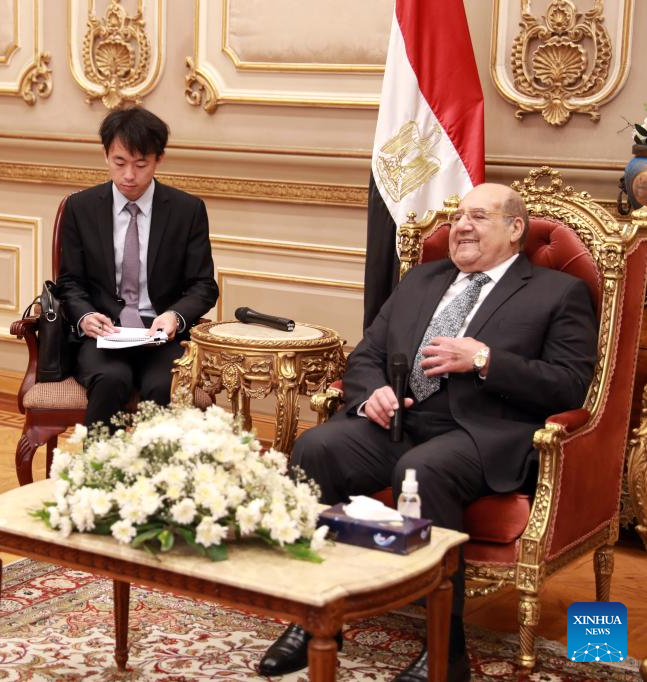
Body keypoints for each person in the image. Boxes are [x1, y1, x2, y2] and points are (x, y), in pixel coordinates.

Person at [258, 183, 598, 680]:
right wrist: (372, 393)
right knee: (317, 447)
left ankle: (446, 647)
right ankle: (312, 616)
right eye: (459, 217)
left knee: (421, 471)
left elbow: (569, 385)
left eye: (478, 217)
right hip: (401, 420)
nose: (461, 226)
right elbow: (368, 354)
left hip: (482, 433)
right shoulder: (421, 279)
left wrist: (485, 360)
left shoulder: (557, 292)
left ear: (515, 229)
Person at [56, 107, 218, 427]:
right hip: (104, 334)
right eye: (119, 162)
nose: (129, 175)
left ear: (159, 160)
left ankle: (154, 461)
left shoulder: (187, 211)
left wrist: (174, 316)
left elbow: (203, 285)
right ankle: (99, 460)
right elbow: (70, 281)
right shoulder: (80, 208)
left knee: (164, 385)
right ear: (105, 155)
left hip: (161, 336)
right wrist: (86, 316)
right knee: (111, 379)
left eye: (140, 164)